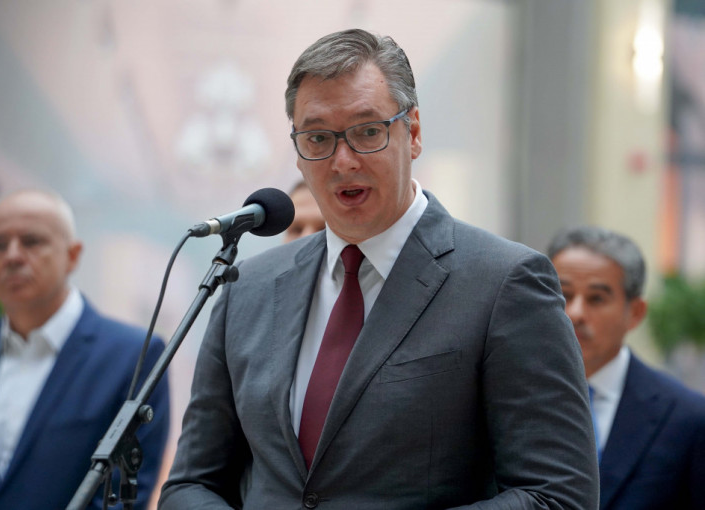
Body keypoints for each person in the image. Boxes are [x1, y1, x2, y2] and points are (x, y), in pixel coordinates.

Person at [160, 28, 598, 509]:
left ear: (413, 133)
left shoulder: (504, 283)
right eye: (318, 138)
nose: (343, 161)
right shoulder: (249, 287)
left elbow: (558, 495)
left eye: (367, 131)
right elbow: (191, 485)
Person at [0, 189, 170, 510]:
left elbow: (123, 496)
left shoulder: (134, 358)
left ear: (72, 255)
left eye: (32, 241)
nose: (12, 256)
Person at [547, 225, 705, 510]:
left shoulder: (688, 417)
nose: (575, 313)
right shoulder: (505, 396)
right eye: (564, 295)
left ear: (635, 313)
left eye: (596, 298)